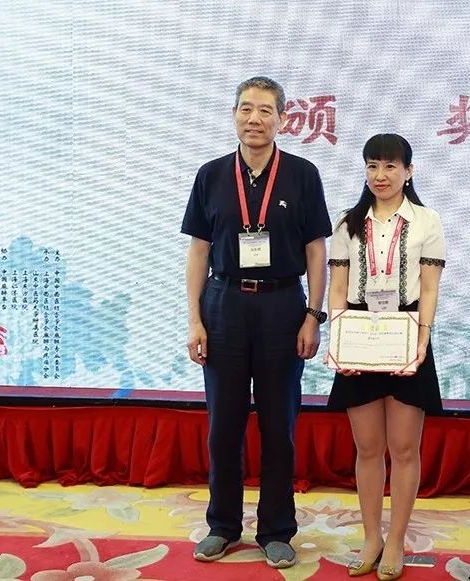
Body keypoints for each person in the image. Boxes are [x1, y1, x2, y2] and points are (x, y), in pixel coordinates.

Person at [181, 76, 332, 568]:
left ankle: (276, 530)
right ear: (234, 115)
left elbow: (316, 250)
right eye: (246, 109)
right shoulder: (210, 175)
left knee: (278, 425)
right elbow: (199, 252)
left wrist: (313, 316)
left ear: (283, 119)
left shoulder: (303, 174)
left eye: (266, 110)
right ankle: (222, 526)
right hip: (224, 304)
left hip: (283, 306)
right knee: (223, 425)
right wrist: (195, 319)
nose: (254, 119)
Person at [325, 134, 446, 580]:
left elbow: (429, 288)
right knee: (368, 448)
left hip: (406, 332)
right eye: (373, 165)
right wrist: (338, 340)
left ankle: (396, 540)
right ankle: (371, 537)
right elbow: (338, 289)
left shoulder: (427, 220)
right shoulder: (347, 223)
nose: (381, 175)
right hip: (359, 333)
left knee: (405, 448)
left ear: (408, 172)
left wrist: (422, 339)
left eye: (391, 166)